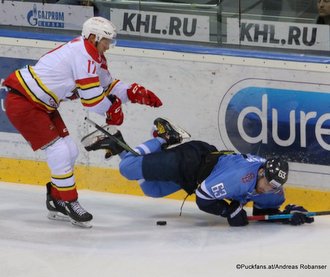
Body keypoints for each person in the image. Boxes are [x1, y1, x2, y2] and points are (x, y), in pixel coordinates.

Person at [2, 16, 162, 227]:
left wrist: (133, 93)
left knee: (70, 149)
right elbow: (92, 100)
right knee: (59, 150)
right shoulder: (82, 53)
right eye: (106, 40)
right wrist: (111, 108)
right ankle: (70, 202)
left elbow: (107, 86)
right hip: (24, 102)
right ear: (94, 37)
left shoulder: (94, 56)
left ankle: (56, 199)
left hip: (42, 104)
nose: (109, 45)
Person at [84, 118, 314, 227]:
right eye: (268, 183)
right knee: (127, 169)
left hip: (198, 176)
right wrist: (227, 211)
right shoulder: (238, 176)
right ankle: (164, 138)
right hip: (191, 160)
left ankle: (118, 144)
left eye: (274, 187)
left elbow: (267, 210)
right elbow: (204, 198)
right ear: (261, 171)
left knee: (151, 189)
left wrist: (286, 216)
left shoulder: (272, 187)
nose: (268, 189)